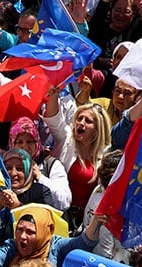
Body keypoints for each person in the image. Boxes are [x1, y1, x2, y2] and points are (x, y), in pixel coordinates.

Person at [43, 88, 112, 230]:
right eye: (79, 118)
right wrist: (54, 96)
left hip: (86, 221)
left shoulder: (106, 155)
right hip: (58, 213)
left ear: (98, 129)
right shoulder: (66, 140)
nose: (81, 123)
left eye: (88, 121)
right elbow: (53, 120)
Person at [0, 205, 105, 267]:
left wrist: (96, 223)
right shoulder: (12, 246)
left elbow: (83, 244)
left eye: (30, 232)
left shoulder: (56, 246)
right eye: (19, 230)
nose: (22, 236)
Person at [9, 117, 72, 212]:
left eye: (30, 141)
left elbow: (64, 202)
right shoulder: (4, 166)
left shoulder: (50, 165)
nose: (25, 146)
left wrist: (40, 177)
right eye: (19, 142)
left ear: (37, 143)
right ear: (12, 144)